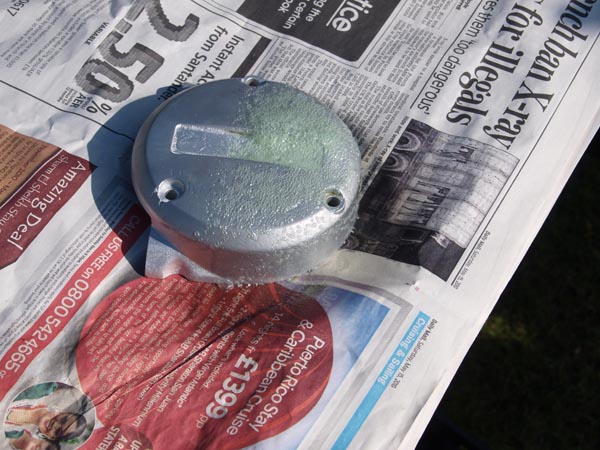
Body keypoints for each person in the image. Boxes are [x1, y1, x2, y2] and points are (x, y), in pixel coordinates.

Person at [5, 405, 86, 442]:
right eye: (64, 419)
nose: (55, 425)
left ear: (52, 437)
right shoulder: (40, 392)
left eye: (58, 431)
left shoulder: (15, 435)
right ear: (64, 412)